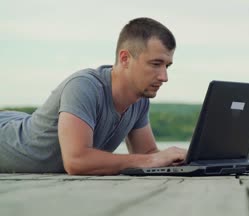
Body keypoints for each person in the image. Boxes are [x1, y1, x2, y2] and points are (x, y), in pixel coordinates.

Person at [0, 17, 187, 175]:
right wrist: (151, 159)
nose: (164, 77)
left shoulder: (140, 101)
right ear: (125, 59)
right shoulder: (84, 86)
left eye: (167, 66)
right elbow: (76, 161)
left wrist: (185, 157)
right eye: (156, 64)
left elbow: (147, 154)